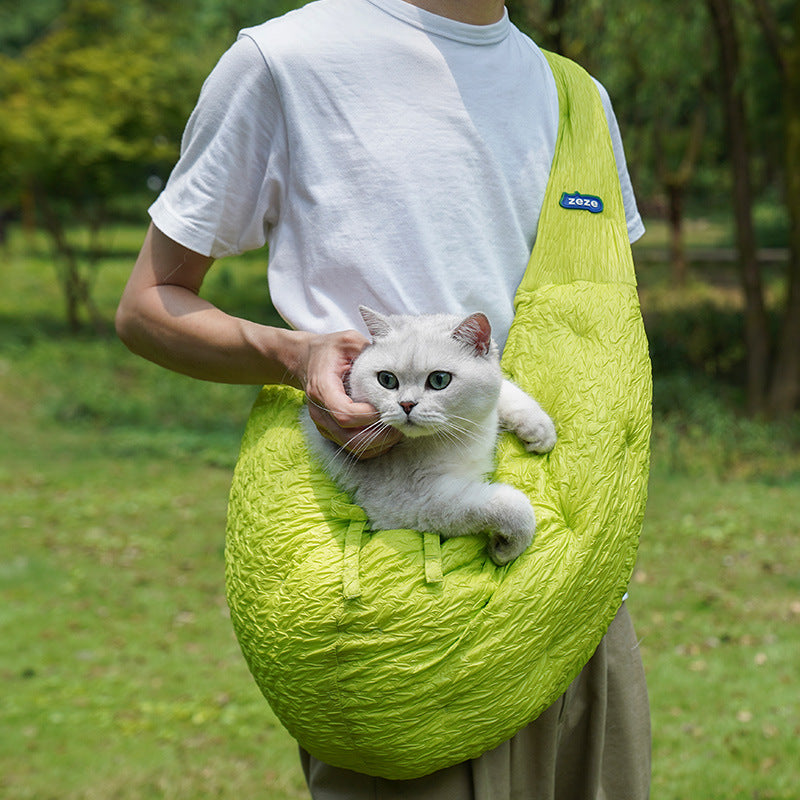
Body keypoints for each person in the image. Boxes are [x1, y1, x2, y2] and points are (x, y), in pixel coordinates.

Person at [116, 0, 651, 797]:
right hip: (402, 610)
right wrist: (294, 354)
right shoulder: (286, 59)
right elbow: (147, 305)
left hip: (579, 601)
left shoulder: (577, 98)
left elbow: (604, 327)